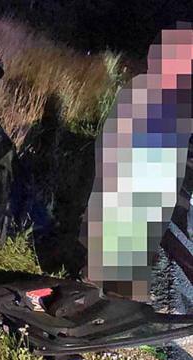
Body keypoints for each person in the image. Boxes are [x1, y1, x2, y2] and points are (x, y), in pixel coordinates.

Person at [86, 23, 193, 303]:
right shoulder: (144, 96)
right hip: (128, 208)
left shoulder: (170, 99)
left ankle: (112, 298)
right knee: (121, 284)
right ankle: (111, 314)